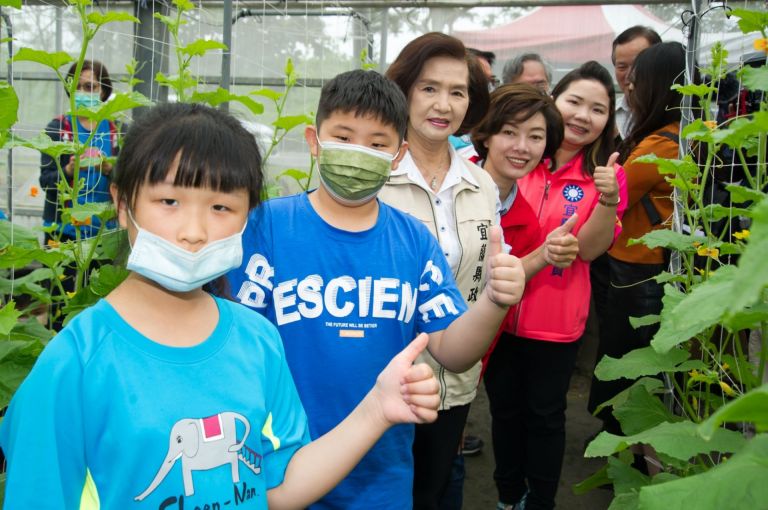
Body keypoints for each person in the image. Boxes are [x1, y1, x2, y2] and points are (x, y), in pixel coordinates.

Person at [0, 103, 442, 509]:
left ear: (248, 216)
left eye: (221, 206)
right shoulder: (74, 363)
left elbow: (280, 487)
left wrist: (376, 410)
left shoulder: (258, 339)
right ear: (121, 204)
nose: (194, 231)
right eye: (168, 201)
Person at [227, 69, 526, 510]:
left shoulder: (412, 240)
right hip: (278, 462)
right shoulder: (268, 226)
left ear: (398, 153)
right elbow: (232, 340)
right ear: (315, 141)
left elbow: (453, 349)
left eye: (376, 144)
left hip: (381, 471)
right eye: (343, 137)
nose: (357, 153)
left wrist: (495, 301)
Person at [485, 62, 628, 510]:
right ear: (554, 102)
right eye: (575, 102)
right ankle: (509, 496)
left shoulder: (605, 174)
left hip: (556, 320)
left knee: (545, 417)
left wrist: (606, 198)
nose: (584, 116)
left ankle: (540, 500)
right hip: (496, 314)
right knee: (503, 413)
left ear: (609, 119)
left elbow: (589, 250)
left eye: (599, 109)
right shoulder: (519, 156)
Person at [378, 32, 495, 510]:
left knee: (431, 489)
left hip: (456, 382)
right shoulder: (374, 176)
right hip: (385, 380)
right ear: (404, 90)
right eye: (428, 88)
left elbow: (486, 274)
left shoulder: (479, 182)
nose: (443, 104)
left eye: (458, 91)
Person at [588, 42, 686, 435]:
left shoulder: (661, 143)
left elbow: (617, 198)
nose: (630, 87)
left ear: (657, 86)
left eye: (636, 80)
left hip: (639, 269)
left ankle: (621, 439)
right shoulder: (683, 133)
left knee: (626, 355)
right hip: (652, 263)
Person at [40, 59, 120, 242]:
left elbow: (131, 179)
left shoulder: (116, 129)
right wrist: (68, 170)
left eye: (90, 86)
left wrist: (109, 170)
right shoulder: (57, 128)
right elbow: (45, 181)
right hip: (63, 229)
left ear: (103, 91)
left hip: (104, 230)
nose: (82, 92)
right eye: (77, 87)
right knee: (61, 271)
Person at [612, 26, 661, 139]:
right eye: (622, 67)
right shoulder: (607, 114)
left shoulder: (677, 115)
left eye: (638, 65)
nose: (630, 75)